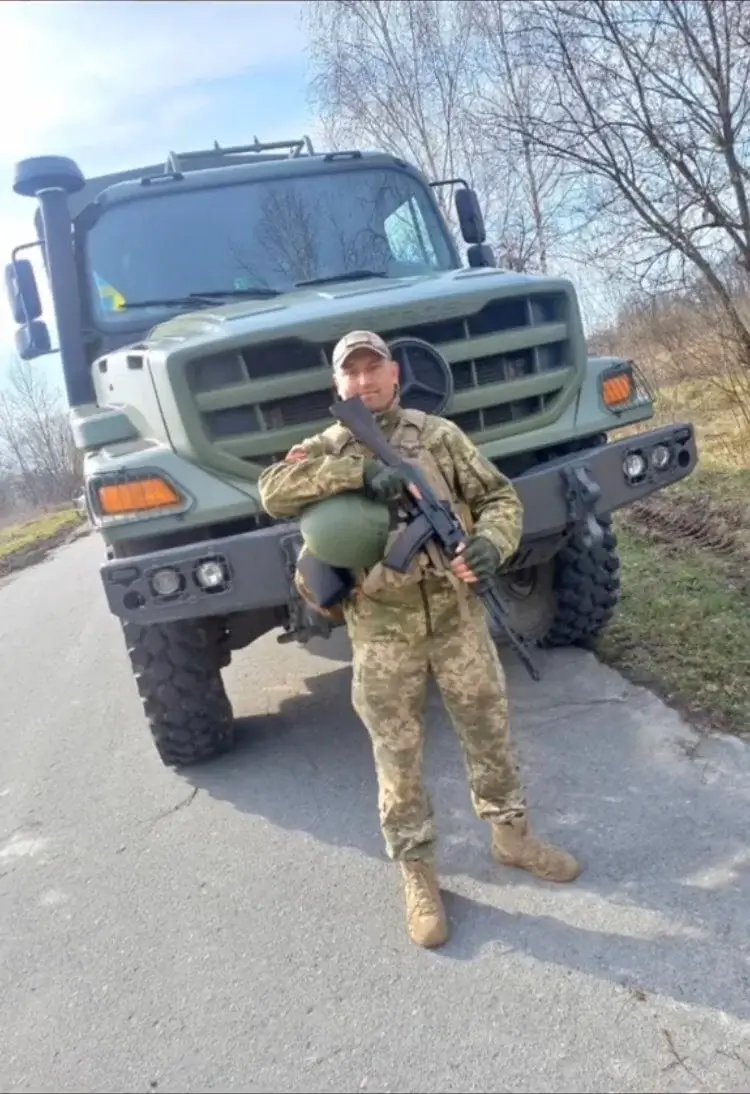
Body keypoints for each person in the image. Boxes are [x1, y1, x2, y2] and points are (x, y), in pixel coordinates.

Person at [258, 330, 581, 948]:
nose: (364, 381)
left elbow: (498, 497)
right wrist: (359, 473)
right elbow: (272, 490)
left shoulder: (439, 436)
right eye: (351, 373)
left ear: (395, 372)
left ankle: (512, 837)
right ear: (338, 386)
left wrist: (491, 545)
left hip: (458, 620)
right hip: (383, 633)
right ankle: (418, 872)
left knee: (489, 729)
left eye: (373, 368)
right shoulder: (325, 446)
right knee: (397, 757)